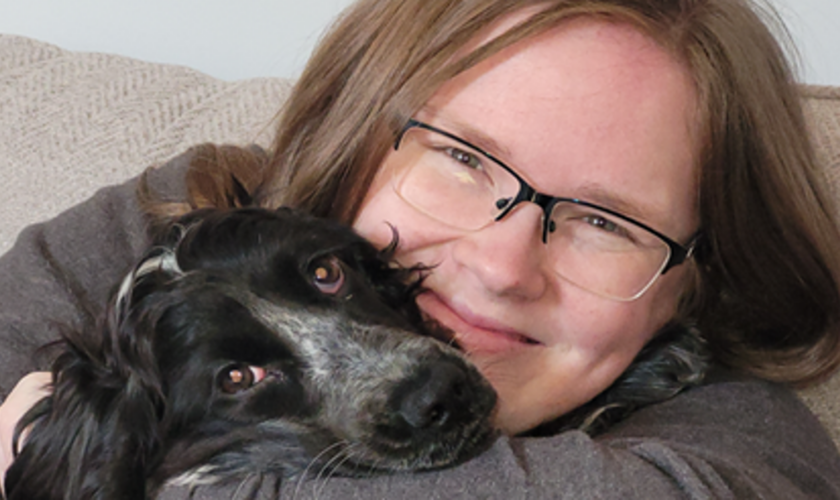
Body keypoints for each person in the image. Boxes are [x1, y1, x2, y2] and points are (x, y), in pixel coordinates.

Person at [2, 0, 840, 498]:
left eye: (606, 221)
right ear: (356, 139)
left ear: (698, 277)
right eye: (465, 161)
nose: (503, 269)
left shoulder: (745, 451)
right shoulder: (187, 212)